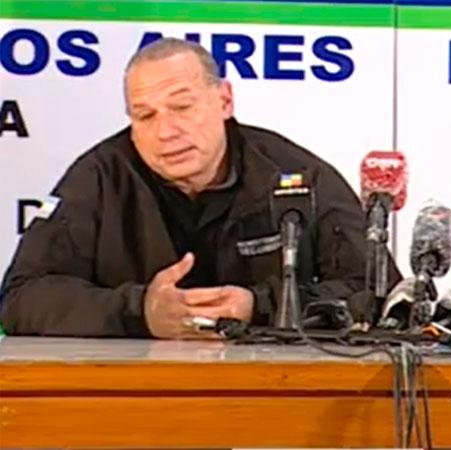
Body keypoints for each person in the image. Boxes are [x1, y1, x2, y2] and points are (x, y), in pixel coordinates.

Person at [0, 38, 400, 338]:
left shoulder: (296, 175)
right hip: (135, 397)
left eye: (182, 107)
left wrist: (259, 306)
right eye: (145, 116)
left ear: (224, 101)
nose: (165, 132)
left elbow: (381, 295)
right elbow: (20, 299)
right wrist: (140, 311)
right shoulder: (101, 177)